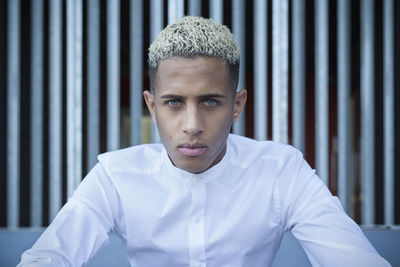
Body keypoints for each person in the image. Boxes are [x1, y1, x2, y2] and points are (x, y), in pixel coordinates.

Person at [19, 16, 390, 267]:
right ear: (151, 105)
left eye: (210, 101)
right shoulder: (116, 176)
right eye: (174, 103)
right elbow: (48, 258)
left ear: (237, 105)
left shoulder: (281, 171)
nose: (192, 125)